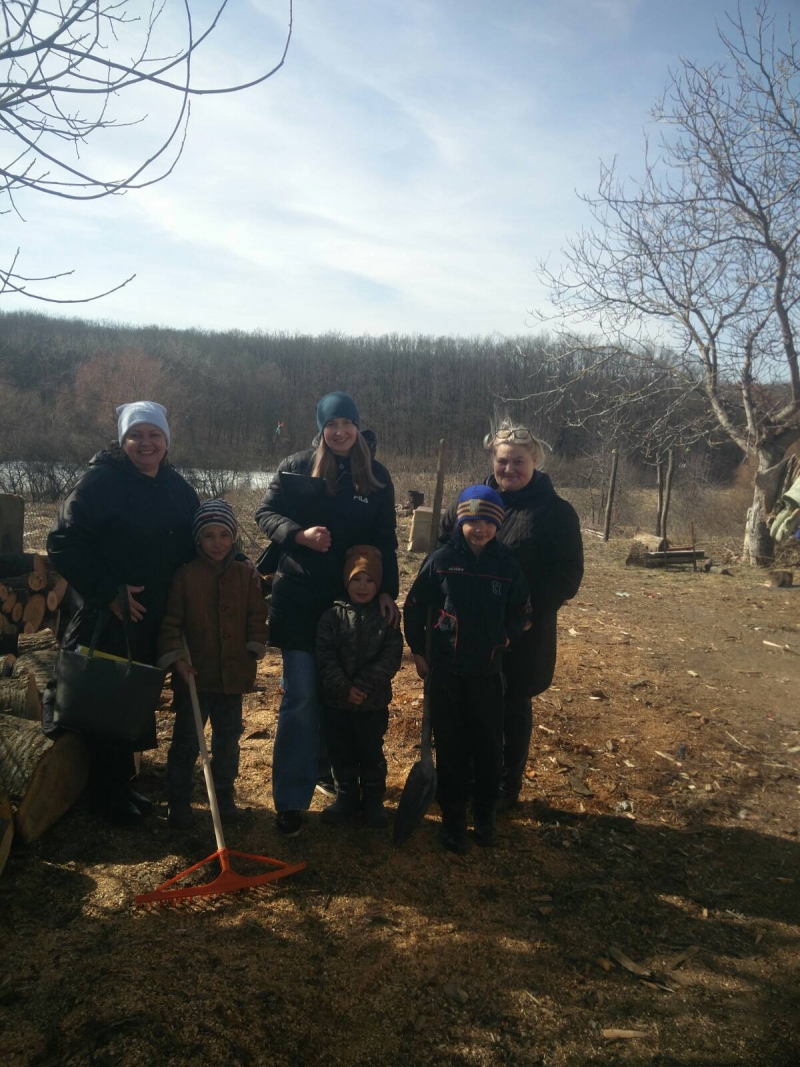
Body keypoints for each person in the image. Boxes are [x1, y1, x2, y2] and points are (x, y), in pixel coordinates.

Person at [46, 401, 200, 825]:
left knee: (132, 701)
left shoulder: (176, 487)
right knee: (104, 701)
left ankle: (121, 786)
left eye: (154, 435)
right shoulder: (100, 483)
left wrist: (237, 560)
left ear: (167, 441)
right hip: (108, 615)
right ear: (122, 441)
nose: (145, 443)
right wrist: (106, 592)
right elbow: (61, 542)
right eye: (136, 435)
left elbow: (197, 538)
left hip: (154, 617)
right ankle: (104, 796)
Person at [255, 392, 399, 837]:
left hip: (348, 607)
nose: (340, 431)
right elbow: (265, 513)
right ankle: (291, 801)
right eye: (332, 424)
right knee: (300, 697)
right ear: (321, 428)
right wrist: (297, 535)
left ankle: (341, 780)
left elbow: (385, 538)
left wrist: (387, 591)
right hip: (298, 599)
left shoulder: (374, 475)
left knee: (341, 695)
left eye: (348, 423)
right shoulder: (296, 466)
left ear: (358, 427)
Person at [439, 420, 583, 809]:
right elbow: (443, 546)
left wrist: (531, 612)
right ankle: (469, 778)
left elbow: (568, 573)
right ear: (493, 460)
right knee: (470, 704)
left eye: (519, 461)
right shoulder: (471, 501)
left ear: (534, 459)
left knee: (511, 707)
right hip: (469, 627)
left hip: (523, 632)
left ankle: (504, 786)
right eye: (503, 461)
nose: (510, 470)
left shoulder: (555, 512)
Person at [404, 485, 531, 854]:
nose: (479, 528)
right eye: (472, 520)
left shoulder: (506, 566)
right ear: (460, 521)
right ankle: (453, 818)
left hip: (487, 674)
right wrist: (418, 652)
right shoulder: (441, 560)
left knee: (489, 746)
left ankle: (485, 813)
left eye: (488, 522)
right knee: (451, 747)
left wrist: (503, 640)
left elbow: (524, 614)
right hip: (446, 672)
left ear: (498, 525)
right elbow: (414, 606)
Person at [157, 500, 268, 829]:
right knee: (187, 741)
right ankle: (178, 800)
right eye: (208, 536)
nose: (217, 543)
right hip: (196, 675)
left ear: (233, 537)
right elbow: (171, 623)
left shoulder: (245, 574)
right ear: (198, 540)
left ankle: (223, 793)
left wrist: (254, 644)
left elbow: (257, 614)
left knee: (227, 738)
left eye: (223, 535)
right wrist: (177, 658)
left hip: (233, 674)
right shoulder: (186, 575)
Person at [315, 545, 404, 829]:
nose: (363, 586)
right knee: (340, 750)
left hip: (372, 703)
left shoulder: (386, 617)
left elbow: (391, 656)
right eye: (356, 579)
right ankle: (346, 796)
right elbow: (325, 656)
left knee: (370, 750)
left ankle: (374, 799)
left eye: (370, 581)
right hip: (337, 703)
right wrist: (343, 687)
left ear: (379, 584)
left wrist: (363, 686)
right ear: (346, 581)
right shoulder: (331, 617)